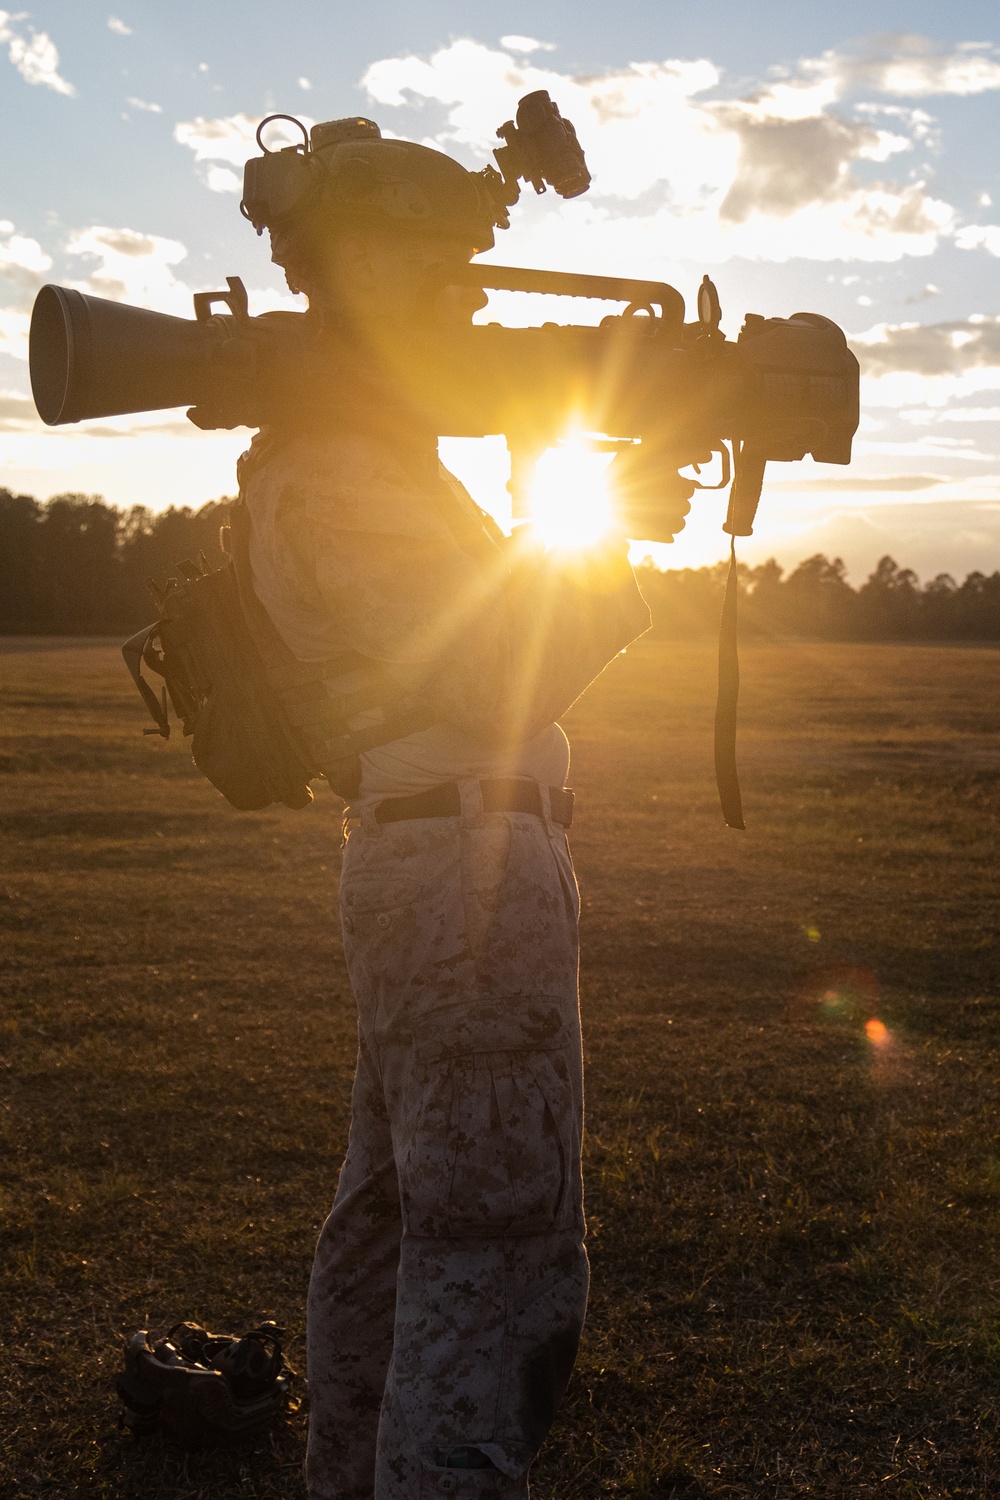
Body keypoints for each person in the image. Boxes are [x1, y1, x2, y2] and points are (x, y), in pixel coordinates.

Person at [236, 115, 682, 1500]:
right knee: (489, 1240)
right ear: (367, 268)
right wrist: (616, 549)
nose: (472, 304)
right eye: (446, 275)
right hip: (462, 874)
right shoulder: (343, 469)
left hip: (436, 861)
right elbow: (495, 667)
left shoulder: (363, 454)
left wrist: (564, 487)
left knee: (391, 1218)